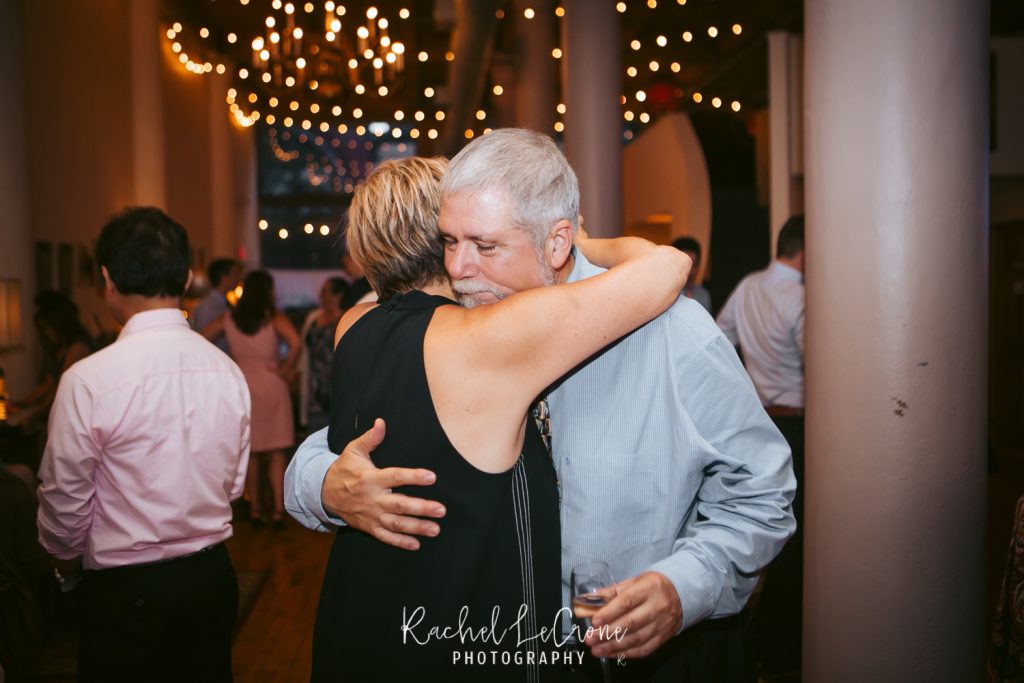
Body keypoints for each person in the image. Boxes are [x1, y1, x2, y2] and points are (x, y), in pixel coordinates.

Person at [286, 129, 796, 682]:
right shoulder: (451, 321)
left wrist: (682, 587)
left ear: (556, 243)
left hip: (638, 660)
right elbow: (344, 436)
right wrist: (325, 484)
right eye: (448, 241)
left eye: (484, 246)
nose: (457, 267)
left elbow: (762, 492)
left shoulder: (672, 333)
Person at [36, 207, 251, 683]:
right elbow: (233, 486)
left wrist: (66, 567)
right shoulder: (226, 371)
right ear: (187, 277)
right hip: (211, 577)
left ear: (107, 281)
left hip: (126, 588)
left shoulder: (88, 380)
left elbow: (65, 501)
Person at [715, 215, 805, 676]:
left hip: (758, 422)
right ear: (806, 252)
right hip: (799, 425)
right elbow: (819, 364)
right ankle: (783, 646)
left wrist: (747, 388)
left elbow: (720, 338)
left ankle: (761, 639)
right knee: (794, 532)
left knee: (762, 525)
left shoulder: (749, 285)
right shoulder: (801, 298)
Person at [204, 270, 300, 528]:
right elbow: (295, 342)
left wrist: (225, 366)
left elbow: (202, 337)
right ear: (267, 291)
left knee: (252, 452)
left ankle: (255, 509)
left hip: (242, 385)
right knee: (277, 451)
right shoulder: (273, 317)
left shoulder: (229, 317)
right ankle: (278, 511)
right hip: (272, 383)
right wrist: (285, 369)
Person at [8, 292, 92, 432]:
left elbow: (60, 390)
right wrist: (21, 403)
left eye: (47, 328)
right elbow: (47, 385)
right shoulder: (59, 349)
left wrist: (32, 413)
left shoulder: (78, 348)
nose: (46, 334)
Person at [298, 277, 349, 433]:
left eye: (326, 291)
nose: (321, 295)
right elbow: (304, 349)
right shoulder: (314, 317)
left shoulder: (347, 318)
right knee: (315, 431)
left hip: (336, 384)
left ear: (338, 295)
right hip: (314, 385)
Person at [191, 258, 241, 354]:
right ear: (224, 278)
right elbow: (202, 338)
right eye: (235, 275)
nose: (238, 279)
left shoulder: (225, 302)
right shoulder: (207, 306)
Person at [671, 236, 713, 313]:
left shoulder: (703, 295)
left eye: (694, 265)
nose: (690, 271)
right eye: (685, 265)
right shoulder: (666, 296)